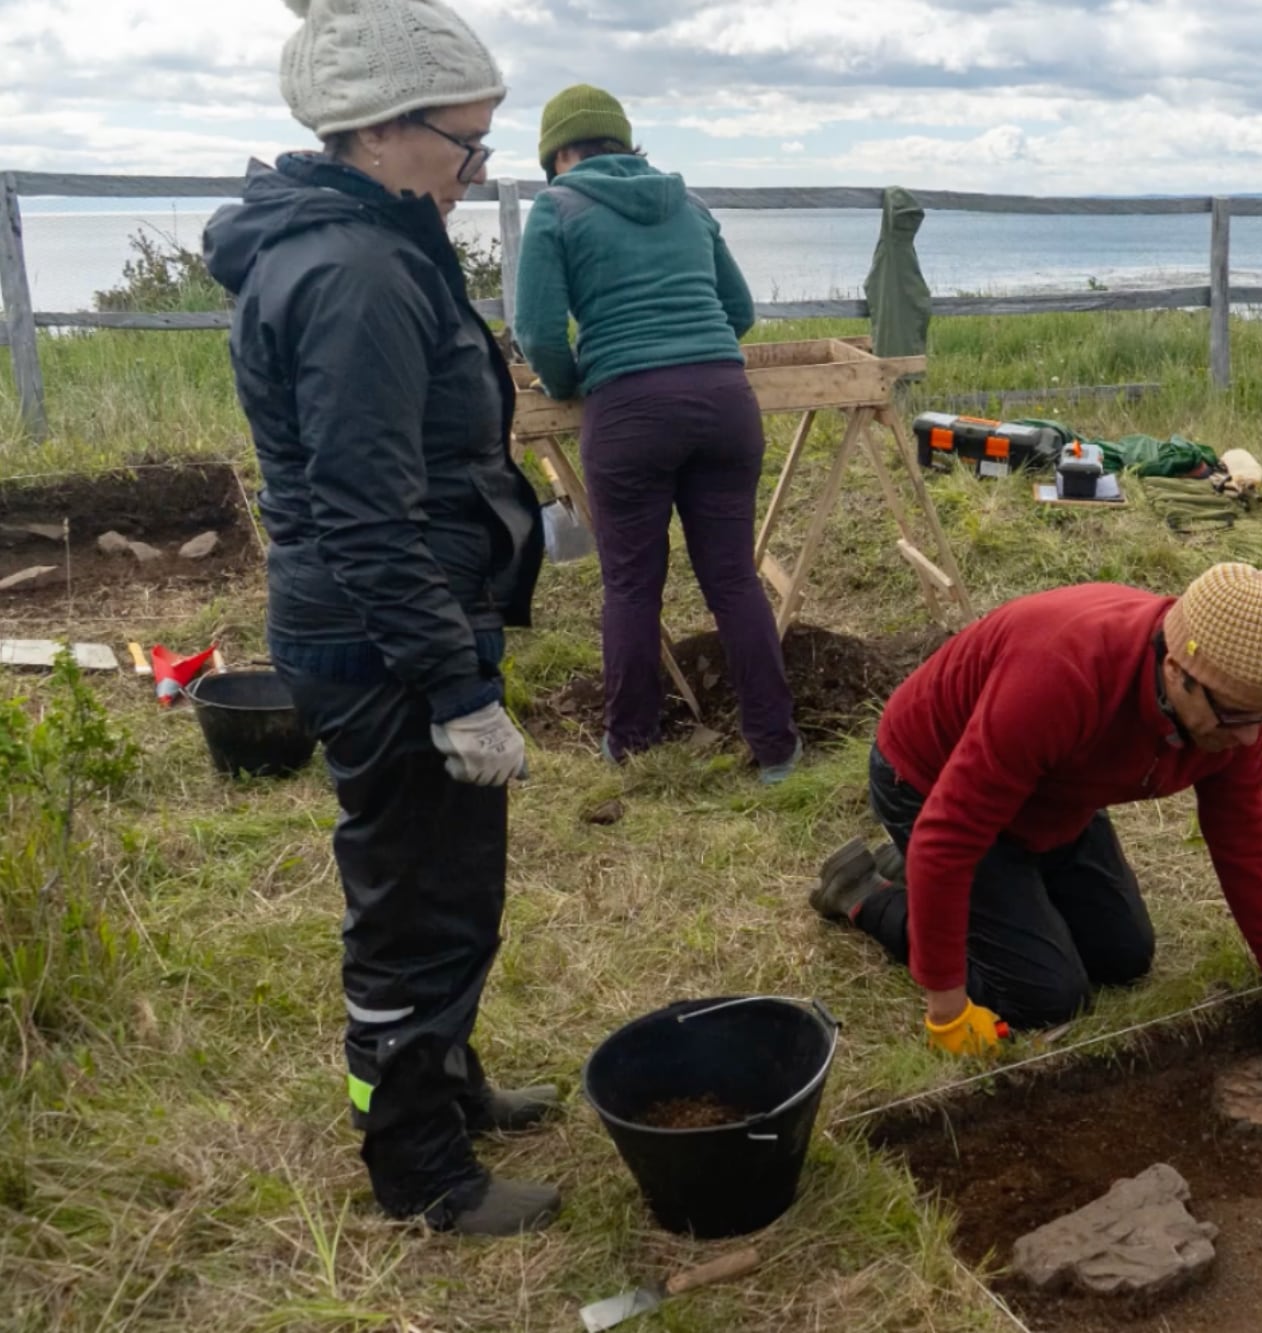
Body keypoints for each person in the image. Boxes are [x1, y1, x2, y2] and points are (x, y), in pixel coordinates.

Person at [204, 0, 558, 1235]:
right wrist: (454, 687)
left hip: (398, 625)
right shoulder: (354, 277)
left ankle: (446, 1085)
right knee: (416, 910)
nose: (476, 171)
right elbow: (366, 515)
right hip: (386, 641)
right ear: (378, 130)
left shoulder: (371, 241)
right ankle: (419, 1169)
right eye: (466, 145)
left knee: (447, 889)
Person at [809, 563, 1262, 1056]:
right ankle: (866, 894)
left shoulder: (1235, 698)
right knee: (1046, 996)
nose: (1249, 740)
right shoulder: (1062, 674)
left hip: (1055, 796)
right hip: (930, 782)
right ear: (1176, 672)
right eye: (1237, 718)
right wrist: (947, 1011)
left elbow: (1242, 832)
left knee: (1124, 957)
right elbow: (948, 835)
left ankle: (938, 881)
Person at [514, 85, 800, 777]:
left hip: (629, 413)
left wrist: (569, 383)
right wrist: (693, 353)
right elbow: (739, 311)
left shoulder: (555, 207)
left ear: (561, 153)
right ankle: (777, 748)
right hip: (726, 403)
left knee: (633, 585)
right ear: (625, 142)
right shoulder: (689, 204)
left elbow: (538, 331)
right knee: (733, 578)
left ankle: (633, 743)